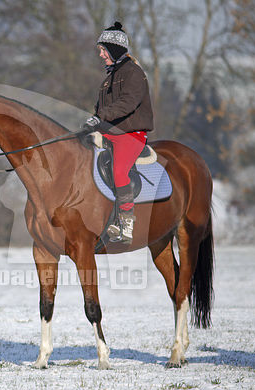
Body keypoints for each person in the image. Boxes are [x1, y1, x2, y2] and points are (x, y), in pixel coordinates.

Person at [83, 21, 154, 244]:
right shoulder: (109, 78)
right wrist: (93, 122)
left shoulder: (134, 73)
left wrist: (100, 117)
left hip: (131, 133)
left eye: (103, 50)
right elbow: (100, 109)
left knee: (119, 170)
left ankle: (126, 221)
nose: (102, 55)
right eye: (101, 51)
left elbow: (128, 103)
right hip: (110, 131)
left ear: (114, 49)